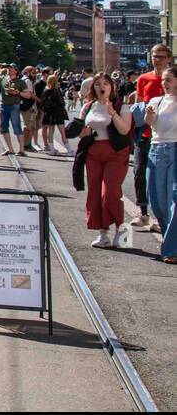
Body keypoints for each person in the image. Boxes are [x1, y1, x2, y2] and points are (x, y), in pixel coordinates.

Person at [75, 73, 133, 248]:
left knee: (110, 192)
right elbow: (81, 130)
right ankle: (103, 233)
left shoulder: (121, 107)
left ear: (112, 87)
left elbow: (124, 130)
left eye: (106, 83)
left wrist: (113, 113)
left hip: (115, 153)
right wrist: (82, 133)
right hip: (94, 153)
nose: (102, 87)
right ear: (93, 88)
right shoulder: (88, 106)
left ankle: (121, 230)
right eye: (98, 84)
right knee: (94, 192)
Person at [130, 44, 171, 232]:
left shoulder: (173, 79)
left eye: (161, 56)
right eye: (154, 56)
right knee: (139, 172)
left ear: (169, 58)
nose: (157, 59)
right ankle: (143, 212)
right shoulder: (144, 79)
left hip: (166, 137)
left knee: (162, 180)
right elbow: (138, 106)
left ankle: (159, 217)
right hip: (145, 134)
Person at [144, 65, 177, 263]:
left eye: (169, 80)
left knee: (175, 200)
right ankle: (170, 239)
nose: (164, 84)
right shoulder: (157, 101)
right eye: (163, 80)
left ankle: (170, 249)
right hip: (156, 151)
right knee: (157, 200)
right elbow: (150, 122)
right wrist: (149, 113)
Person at [0, 64, 31, 156]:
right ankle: (10, 149)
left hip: (14, 106)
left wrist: (18, 92)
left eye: (11, 69)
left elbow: (28, 95)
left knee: (17, 127)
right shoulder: (3, 80)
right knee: (3, 128)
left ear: (16, 71)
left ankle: (22, 150)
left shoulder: (20, 82)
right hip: (3, 105)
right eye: (8, 68)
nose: (8, 70)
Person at [40, 72, 70, 155]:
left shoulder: (46, 91)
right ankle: (69, 149)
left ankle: (52, 149)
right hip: (58, 113)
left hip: (49, 113)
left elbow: (43, 103)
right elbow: (62, 102)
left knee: (50, 131)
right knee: (62, 132)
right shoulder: (57, 91)